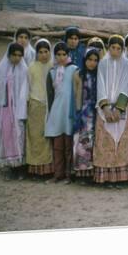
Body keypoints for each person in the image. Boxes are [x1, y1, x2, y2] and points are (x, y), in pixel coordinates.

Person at [93, 35, 128, 186]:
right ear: (108, 48)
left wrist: (118, 108)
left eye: (118, 48)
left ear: (122, 49)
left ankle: (121, 177)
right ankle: (105, 177)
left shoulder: (127, 64)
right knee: (105, 141)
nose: (115, 51)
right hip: (105, 108)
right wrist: (105, 108)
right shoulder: (103, 63)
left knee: (121, 142)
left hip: (121, 108)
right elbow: (100, 84)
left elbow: (126, 84)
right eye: (113, 48)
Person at [0, 43, 29, 180]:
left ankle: (21, 168)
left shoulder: (24, 70)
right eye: (14, 55)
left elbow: (24, 92)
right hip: (5, 109)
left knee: (19, 137)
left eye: (19, 55)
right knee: (7, 137)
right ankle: (12, 168)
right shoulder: (1, 69)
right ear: (9, 55)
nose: (17, 58)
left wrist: (21, 109)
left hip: (19, 110)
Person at [45, 42, 79, 184]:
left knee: (68, 146)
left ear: (68, 55)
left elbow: (77, 92)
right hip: (56, 113)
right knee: (57, 146)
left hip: (69, 113)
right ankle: (57, 174)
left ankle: (68, 175)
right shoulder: (52, 73)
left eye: (64, 54)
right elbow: (50, 96)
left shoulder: (74, 70)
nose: (61, 57)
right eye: (58, 54)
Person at [25, 39, 54, 177]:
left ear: (50, 52)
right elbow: (27, 87)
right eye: (40, 52)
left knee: (47, 138)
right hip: (35, 106)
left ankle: (48, 169)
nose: (43, 55)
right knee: (35, 137)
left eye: (46, 51)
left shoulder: (53, 66)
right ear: (36, 53)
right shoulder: (31, 67)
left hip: (50, 106)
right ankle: (35, 169)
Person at [72, 48, 100, 181]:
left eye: (95, 60)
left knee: (95, 141)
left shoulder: (100, 75)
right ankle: (82, 173)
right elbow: (75, 94)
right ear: (85, 60)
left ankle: (93, 173)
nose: (92, 63)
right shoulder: (78, 74)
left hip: (96, 112)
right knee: (83, 142)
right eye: (89, 60)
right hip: (83, 113)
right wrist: (77, 112)